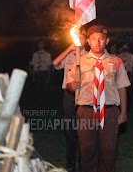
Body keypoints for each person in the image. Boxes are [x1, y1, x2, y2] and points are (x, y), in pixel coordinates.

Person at [66, 24, 130, 172]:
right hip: (86, 111)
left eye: (101, 38)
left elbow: (122, 87)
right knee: (86, 148)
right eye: (94, 39)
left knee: (109, 149)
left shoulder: (116, 61)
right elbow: (69, 83)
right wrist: (72, 86)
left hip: (109, 111)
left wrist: (123, 112)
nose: (98, 42)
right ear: (88, 41)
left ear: (107, 41)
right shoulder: (80, 61)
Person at [52, 27, 88, 172]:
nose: (80, 39)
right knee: (70, 130)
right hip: (69, 95)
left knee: (85, 130)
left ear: (86, 40)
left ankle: (85, 163)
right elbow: (55, 63)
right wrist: (70, 47)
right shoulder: (69, 54)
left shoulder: (88, 55)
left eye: (82, 37)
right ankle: (71, 164)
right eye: (77, 37)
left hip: (85, 96)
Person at [30, 40, 52, 107]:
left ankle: (45, 104)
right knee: (37, 89)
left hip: (44, 73)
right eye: (39, 44)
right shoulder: (35, 54)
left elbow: (49, 66)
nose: (40, 45)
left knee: (45, 89)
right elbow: (34, 65)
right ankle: (37, 104)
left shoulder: (47, 54)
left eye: (41, 44)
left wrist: (48, 76)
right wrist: (33, 76)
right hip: (37, 73)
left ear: (44, 45)